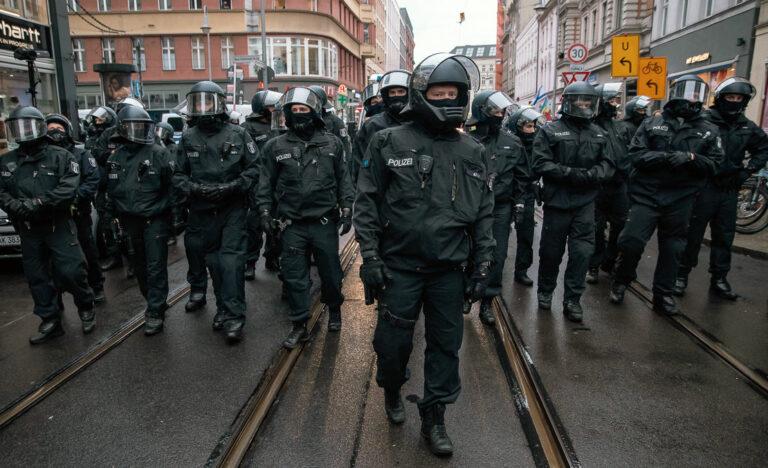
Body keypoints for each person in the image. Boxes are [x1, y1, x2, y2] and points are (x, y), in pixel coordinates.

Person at [354, 53, 494, 456]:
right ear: (422, 94)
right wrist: (371, 258)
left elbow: (485, 211)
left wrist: (483, 263)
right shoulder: (387, 140)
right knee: (392, 345)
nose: (447, 98)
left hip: (448, 270)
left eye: (454, 92)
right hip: (399, 267)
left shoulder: (473, 150)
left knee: (445, 346)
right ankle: (392, 387)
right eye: (439, 92)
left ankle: (435, 416)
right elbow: (366, 202)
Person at [610, 75, 724, 314]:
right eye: (686, 95)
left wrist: (692, 158)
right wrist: (661, 157)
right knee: (630, 241)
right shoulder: (653, 123)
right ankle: (621, 279)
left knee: (673, 249)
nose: (690, 101)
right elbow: (635, 155)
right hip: (647, 194)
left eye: (695, 97)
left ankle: (663, 295)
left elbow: (715, 164)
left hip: (681, 198)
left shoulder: (709, 130)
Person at [257, 87, 353, 346]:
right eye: (294, 110)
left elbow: (344, 178)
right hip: (292, 224)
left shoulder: (332, 143)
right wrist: (265, 212)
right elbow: (265, 183)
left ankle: (334, 309)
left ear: (315, 112)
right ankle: (299, 323)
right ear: (287, 114)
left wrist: (346, 208)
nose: (299, 114)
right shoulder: (275, 147)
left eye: (304, 109)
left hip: (323, 222)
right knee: (295, 275)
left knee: (330, 274)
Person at [173, 81, 259, 342]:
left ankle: (234, 317)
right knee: (214, 263)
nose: (203, 107)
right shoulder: (188, 138)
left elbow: (254, 169)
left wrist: (234, 187)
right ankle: (222, 307)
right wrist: (195, 189)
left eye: (208, 101)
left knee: (231, 262)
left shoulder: (239, 134)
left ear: (219, 103)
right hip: (201, 211)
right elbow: (178, 175)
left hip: (232, 208)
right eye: (198, 102)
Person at [0, 106, 95, 344]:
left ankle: (85, 305)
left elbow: (67, 188)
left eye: (28, 126)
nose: (23, 132)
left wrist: (38, 204)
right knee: (37, 276)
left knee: (72, 270)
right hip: (29, 230)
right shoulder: (7, 161)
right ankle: (49, 318)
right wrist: (16, 207)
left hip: (58, 225)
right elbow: (1, 192)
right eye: (17, 127)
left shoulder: (61, 156)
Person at [676, 77, 768, 299]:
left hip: (729, 188)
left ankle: (719, 278)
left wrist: (747, 171)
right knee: (692, 234)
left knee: (724, 236)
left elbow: (763, 148)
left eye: (739, 98)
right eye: (730, 97)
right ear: (720, 98)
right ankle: (681, 275)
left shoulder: (747, 126)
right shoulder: (704, 120)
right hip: (703, 186)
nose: (734, 101)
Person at [531, 82, 615, 322]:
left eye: (588, 101)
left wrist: (593, 175)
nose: (583, 105)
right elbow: (540, 163)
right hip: (557, 202)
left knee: (581, 253)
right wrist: (568, 173)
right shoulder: (550, 130)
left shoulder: (599, 133)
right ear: (569, 102)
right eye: (579, 101)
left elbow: (609, 163)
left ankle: (572, 299)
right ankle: (545, 290)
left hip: (585, 202)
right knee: (551, 252)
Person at [105, 107, 174, 335]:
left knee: (155, 266)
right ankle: (153, 300)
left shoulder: (159, 153)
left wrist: (164, 211)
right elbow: (111, 190)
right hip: (129, 220)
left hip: (154, 219)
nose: (139, 132)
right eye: (134, 126)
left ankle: (155, 310)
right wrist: (110, 217)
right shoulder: (116, 157)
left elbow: (173, 187)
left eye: (143, 127)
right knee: (139, 266)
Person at [466, 90, 528, 325]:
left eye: (502, 111)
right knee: (467, 252)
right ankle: (465, 292)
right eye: (494, 110)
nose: (500, 115)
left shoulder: (512, 142)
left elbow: (522, 177)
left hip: (499, 208)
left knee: (497, 256)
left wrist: (520, 202)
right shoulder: (467, 138)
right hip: (469, 206)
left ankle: (487, 302)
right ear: (481, 111)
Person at [45, 114, 105, 302]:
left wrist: (76, 197)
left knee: (87, 249)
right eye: (51, 129)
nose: (55, 133)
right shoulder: (43, 155)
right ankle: (57, 295)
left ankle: (96, 285)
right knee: (52, 257)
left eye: (59, 129)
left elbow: (93, 178)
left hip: (78, 211)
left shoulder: (81, 154)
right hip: (53, 215)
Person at [586, 83, 633, 284]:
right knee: (596, 228)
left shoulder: (622, 127)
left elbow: (630, 152)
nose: (615, 104)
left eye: (616, 100)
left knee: (620, 226)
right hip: (598, 186)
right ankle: (594, 264)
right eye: (611, 100)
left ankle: (610, 259)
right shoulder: (591, 127)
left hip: (619, 185)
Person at [242, 90, 283, 278]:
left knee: (277, 224)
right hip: (257, 184)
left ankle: (272, 257)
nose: (275, 109)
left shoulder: (281, 124)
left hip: (278, 183)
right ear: (261, 108)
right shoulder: (247, 128)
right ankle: (250, 262)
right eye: (271, 106)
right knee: (254, 226)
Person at [506, 106, 545, 286]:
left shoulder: (538, 145)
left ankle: (521, 270)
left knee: (526, 235)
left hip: (527, 194)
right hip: (506, 195)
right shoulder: (508, 144)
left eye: (533, 126)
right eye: (528, 126)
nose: (532, 130)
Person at [352, 70, 411, 184]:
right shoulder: (372, 125)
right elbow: (360, 162)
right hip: (379, 188)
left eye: (401, 91)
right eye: (392, 92)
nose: (396, 95)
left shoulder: (420, 122)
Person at [156, 122, 183, 246]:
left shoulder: (173, 148)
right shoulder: (156, 146)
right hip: (162, 182)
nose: (159, 134)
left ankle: (173, 233)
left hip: (172, 182)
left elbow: (173, 164)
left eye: (162, 131)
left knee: (173, 208)